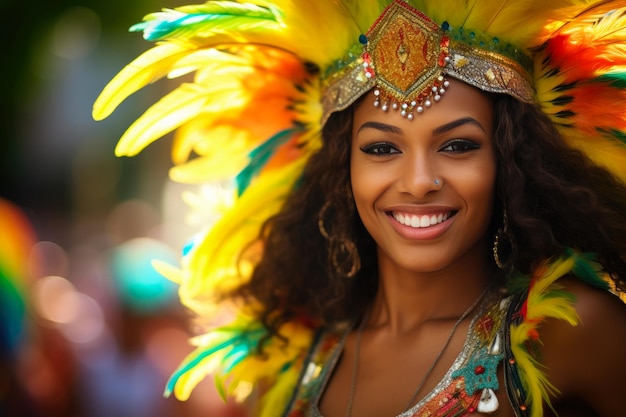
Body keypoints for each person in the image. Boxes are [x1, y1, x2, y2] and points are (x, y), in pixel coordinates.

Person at [93, 1, 626, 416]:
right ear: (340, 173)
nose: (418, 182)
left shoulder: (578, 334)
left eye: (458, 145)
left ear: (512, 163)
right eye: (381, 148)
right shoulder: (293, 360)